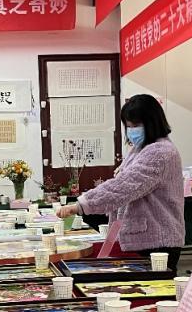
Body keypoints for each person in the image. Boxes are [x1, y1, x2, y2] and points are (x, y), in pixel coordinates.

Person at [56, 94, 185, 272]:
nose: (131, 131)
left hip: (157, 242)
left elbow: (123, 187)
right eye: (128, 126)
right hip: (144, 239)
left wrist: (81, 205)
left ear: (152, 122)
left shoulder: (160, 152)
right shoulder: (140, 149)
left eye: (136, 125)